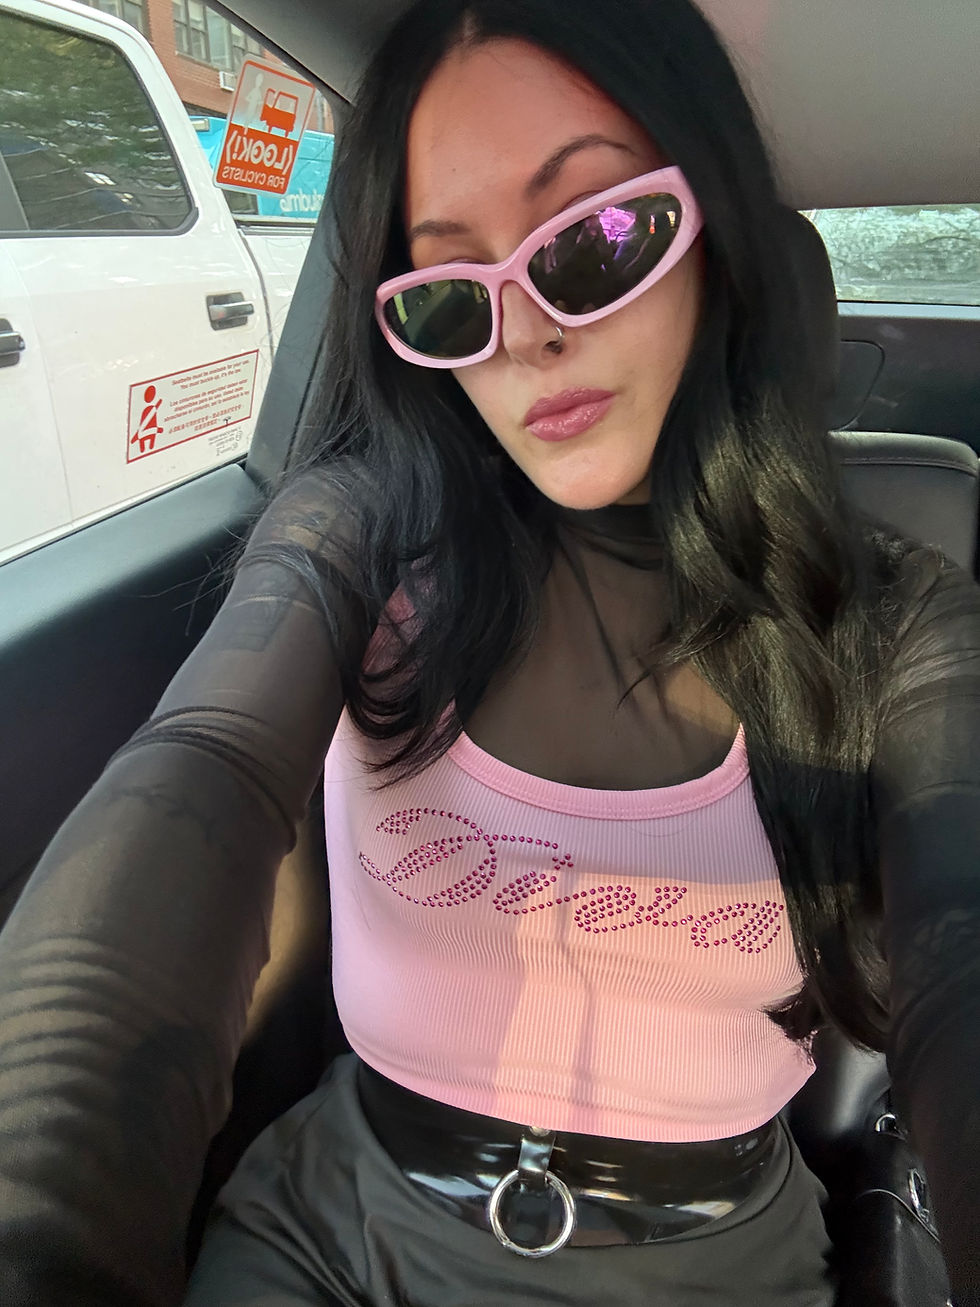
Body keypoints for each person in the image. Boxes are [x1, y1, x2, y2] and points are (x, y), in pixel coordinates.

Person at [0, 0, 977, 1304]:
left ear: (718, 231)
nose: (522, 334)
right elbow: (202, 773)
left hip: (720, 1265)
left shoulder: (893, 616)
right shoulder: (364, 534)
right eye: (455, 293)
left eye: (596, 241)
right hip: (334, 1232)